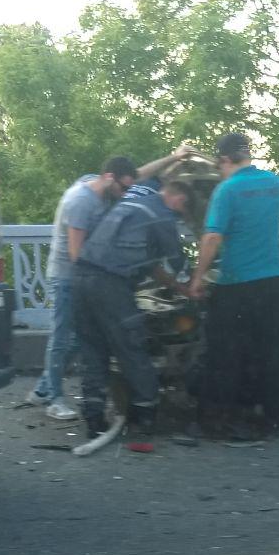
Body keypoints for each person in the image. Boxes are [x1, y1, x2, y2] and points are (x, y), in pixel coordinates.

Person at [27, 149, 194, 421]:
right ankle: (54, 399)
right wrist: (110, 274)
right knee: (63, 338)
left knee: (81, 341)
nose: (126, 192)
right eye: (124, 187)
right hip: (70, 276)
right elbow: (76, 255)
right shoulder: (81, 201)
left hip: (87, 274)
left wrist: (174, 158)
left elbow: (141, 173)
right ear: (108, 177)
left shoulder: (107, 185)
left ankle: (44, 388)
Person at [74, 177, 193, 440]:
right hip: (111, 286)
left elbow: (151, 265)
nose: (181, 216)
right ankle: (143, 419)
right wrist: (193, 287)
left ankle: (93, 420)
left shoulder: (132, 206)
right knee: (132, 348)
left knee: (94, 351)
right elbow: (177, 260)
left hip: (80, 280)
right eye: (184, 211)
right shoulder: (161, 215)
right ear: (179, 199)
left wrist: (176, 287)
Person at [189, 133, 279, 439]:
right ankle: (272, 418)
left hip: (237, 283)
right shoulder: (276, 184)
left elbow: (212, 237)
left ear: (223, 160)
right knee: (269, 352)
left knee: (225, 354)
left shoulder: (227, 190)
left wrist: (197, 278)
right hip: (272, 281)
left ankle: (222, 420)